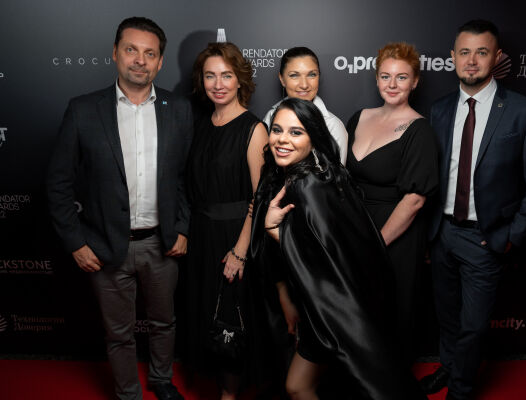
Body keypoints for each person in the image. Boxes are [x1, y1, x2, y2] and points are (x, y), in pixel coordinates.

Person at [46, 17, 191, 400]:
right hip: (105, 246)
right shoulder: (83, 110)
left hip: (162, 244)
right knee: (119, 332)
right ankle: (128, 393)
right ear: (115, 53)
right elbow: (58, 184)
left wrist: (182, 227)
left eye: (150, 53)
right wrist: (76, 242)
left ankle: (162, 381)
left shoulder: (179, 109)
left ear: (160, 62)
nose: (140, 60)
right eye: (131, 50)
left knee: (164, 322)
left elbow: (185, 177)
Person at [250, 98, 427, 400]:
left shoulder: (307, 185)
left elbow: (323, 257)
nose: (282, 139)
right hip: (329, 305)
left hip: (335, 309)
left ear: (313, 137)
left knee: (304, 386)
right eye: (277, 130)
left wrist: (275, 232)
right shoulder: (318, 174)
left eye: (296, 132)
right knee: (303, 385)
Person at [420, 20, 526, 400]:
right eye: (464, 52)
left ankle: (461, 390)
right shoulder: (440, 109)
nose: (472, 61)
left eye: (481, 52)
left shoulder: (524, 111)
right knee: (447, 316)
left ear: (497, 57)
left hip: (485, 239)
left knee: (474, 326)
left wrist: (511, 235)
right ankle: (448, 368)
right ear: (453, 57)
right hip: (442, 233)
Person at [181, 42, 269, 400]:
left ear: (240, 79)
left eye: (226, 75)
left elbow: (259, 199)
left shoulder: (254, 129)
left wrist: (240, 252)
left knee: (232, 317)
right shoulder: (201, 125)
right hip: (202, 236)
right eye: (210, 76)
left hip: (234, 238)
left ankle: (229, 395)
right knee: (208, 315)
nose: (218, 84)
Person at [345, 42, 438, 364]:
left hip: (394, 237)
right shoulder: (359, 117)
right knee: (354, 316)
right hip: (356, 228)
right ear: (376, 79)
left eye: (402, 77)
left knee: (387, 318)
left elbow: (414, 200)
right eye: (386, 76)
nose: (392, 84)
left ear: (415, 81)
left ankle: (388, 385)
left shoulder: (419, 130)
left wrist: (375, 244)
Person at [263, 47, 348, 165]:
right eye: (294, 75)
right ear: (282, 79)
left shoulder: (332, 125)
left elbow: (336, 173)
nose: (304, 85)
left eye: (312, 75)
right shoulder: (271, 116)